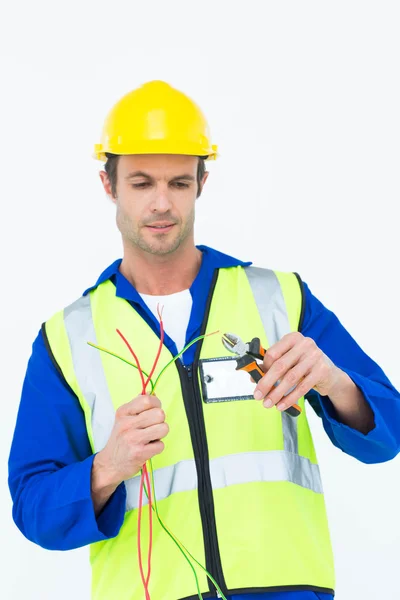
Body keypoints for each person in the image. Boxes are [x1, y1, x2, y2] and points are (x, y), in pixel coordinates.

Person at [8, 80, 400, 600]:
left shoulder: (280, 298)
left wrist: (334, 383)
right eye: (142, 183)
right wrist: (107, 467)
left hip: (284, 591)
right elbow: (32, 506)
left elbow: (388, 433)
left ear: (202, 182)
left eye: (179, 183)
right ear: (109, 185)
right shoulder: (67, 337)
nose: (162, 204)